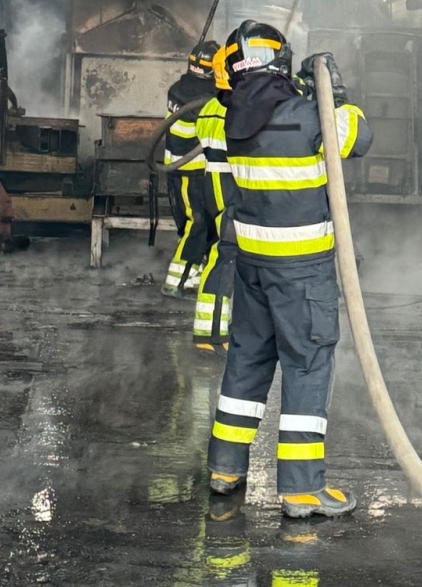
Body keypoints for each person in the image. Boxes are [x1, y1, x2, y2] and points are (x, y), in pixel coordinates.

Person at [205, 21, 373, 518]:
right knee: (306, 367)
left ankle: (225, 469)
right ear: (280, 61)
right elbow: (358, 138)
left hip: (253, 265)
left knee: (247, 363)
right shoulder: (309, 115)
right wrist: (335, 92)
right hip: (302, 271)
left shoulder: (224, 120)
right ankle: (301, 490)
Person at [163, 41, 220, 299]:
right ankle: (176, 280)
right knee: (196, 224)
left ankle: (192, 275)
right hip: (193, 170)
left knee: (195, 223)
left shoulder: (179, 88)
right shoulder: (207, 99)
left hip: (179, 168)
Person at [193, 55, 240, 358]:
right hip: (229, 190)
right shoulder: (233, 109)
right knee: (225, 258)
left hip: (213, 186)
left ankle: (212, 331)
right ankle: (212, 334)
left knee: (219, 257)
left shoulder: (210, 107)